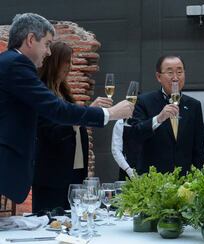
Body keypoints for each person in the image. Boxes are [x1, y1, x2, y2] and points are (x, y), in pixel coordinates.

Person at [0, 13, 133, 203]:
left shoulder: (9, 62)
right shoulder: (16, 64)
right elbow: (56, 110)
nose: (48, 52)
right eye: (46, 44)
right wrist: (110, 113)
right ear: (30, 39)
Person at [31, 42, 112, 212]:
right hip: (52, 174)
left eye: (71, 61)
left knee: (72, 218)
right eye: (66, 61)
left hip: (73, 170)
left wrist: (88, 112)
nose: (70, 66)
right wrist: (87, 113)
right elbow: (51, 131)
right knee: (51, 222)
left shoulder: (63, 92)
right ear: (54, 62)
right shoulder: (42, 92)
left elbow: (73, 122)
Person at [129, 55, 204, 174]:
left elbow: (199, 147)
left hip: (185, 180)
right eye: (170, 72)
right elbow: (135, 135)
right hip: (153, 178)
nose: (175, 78)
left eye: (179, 72)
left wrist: (199, 176)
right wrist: (158, 119)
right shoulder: (143, 101)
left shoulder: (194, 105)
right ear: (158, 77)